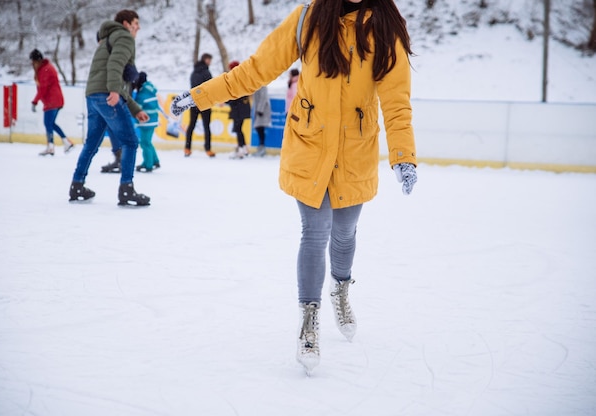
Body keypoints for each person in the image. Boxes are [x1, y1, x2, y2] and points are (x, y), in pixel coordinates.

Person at [170, 0, 418, 374]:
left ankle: (341, 288)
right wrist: (200, 96)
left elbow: (396, 102)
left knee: (345, 233)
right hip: (310, 147)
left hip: (354, 151)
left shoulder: (383, 27)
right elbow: (256, 70)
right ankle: (309, 318)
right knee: (315, 233)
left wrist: (404, 155)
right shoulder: (308, 18)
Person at [69, 9, 151, 206]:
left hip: (93, 95)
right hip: (107, 94)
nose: (138, 27)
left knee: (92, 144)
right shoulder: (124, 37)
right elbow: (115, 65)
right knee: (130, 142)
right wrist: (113, 90)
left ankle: (77, 185)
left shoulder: (108, 39)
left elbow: (120, 82)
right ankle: (126, 189)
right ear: (126, 23)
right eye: (135, 23)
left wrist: (135, 109)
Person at [29, 49, 75, 156]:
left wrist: (35, 101)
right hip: (54, 100)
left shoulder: (45, 69)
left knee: (48, 123)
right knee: (51, 123)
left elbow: (43, 88)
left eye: (33, 62)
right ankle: (66, 142)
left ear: (38, 60)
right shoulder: (45, 68)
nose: (32, 64)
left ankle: (51, 146)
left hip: (52, 101)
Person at [184, 53, 215, 157]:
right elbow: (210, 87)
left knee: (192, 125)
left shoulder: (194, 72)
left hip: (194, 101)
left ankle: (187, 148)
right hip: (204, 102)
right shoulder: (206, 72)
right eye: (209, 60)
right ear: (206, 60)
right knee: (206, 126)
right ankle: (208, 149)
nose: (210, 62)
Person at [132, 72, 161, 172]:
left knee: (145, 143)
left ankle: (148, 164)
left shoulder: (142, 95)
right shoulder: (150, 90)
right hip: (152, 121)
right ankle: (155, 160)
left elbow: (137, 109)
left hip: (146, 122)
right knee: (148, 142)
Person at [227, 60, 251, 159]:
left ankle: (241, 149)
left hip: (238, 109)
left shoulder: (236, 79)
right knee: (239, 129)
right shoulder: (243, 78)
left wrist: (226, 101)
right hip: (242, 108)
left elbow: (235, 95)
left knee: (238, 129)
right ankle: (244, 148)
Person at [252, 85, 271, 157]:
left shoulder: (263, 85)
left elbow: (264, 97)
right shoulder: (258, 85)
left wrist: (260, 109)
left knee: (259, 128)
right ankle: (261, 147)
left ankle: (262, 148)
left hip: (262, 110)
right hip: (259, 110)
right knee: (259, 128)